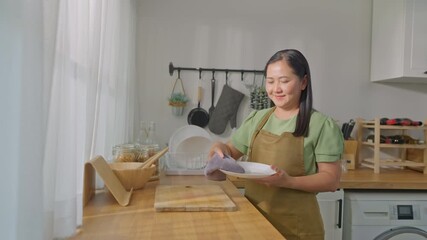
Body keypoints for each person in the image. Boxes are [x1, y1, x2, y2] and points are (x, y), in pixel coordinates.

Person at [208, 49, 344, 240]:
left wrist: (288, 181)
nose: (276, 89)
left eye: (284, 81)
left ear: (303, 82)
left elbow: (331, 180)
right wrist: (219, 149)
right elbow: (231, 151)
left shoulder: (322, 125)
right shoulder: (257, 118)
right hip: (254, 224)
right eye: (270, 81)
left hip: (298, 230)